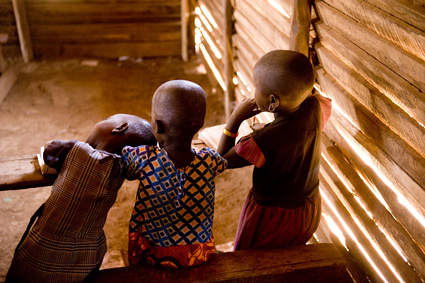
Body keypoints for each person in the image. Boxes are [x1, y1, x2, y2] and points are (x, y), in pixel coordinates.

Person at [6, 114, 156, 283]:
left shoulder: (78, 150)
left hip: (42, 252)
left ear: (119, 128)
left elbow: (49, 150)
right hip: (88, 256)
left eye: (107, 119)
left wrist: (75, 145)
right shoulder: (120, 170)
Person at [217, 50, 331, 251]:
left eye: (255, 87)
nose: (253, 93)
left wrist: (234, 120)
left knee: (252, 259)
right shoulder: (314, 106)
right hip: (307, 209)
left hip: (272, 218)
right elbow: (293, 136)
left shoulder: (262, 142)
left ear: (272, 102)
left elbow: (221, 161)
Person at [122, 80, 227, 269]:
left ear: (158, 126)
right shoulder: (210, 160)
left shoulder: (144, 158)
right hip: (198, 254)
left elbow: (124, 164)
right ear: (200, 124)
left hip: (153, 256)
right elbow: (223, 160)